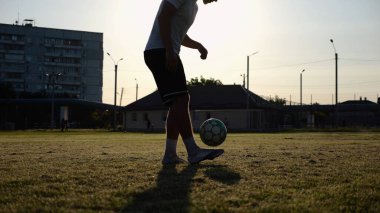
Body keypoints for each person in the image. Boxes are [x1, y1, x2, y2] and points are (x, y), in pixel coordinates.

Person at [144, 0, 223, 165]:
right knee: (181, 99)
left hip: (167, 51)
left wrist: (198, 46)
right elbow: (163, 17)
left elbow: (180, 35)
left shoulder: (194, 7)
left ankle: (170, 155)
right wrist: (169, 52)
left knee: (177, 102)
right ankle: (193, 152)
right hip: (159, 51)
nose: (216, 0)